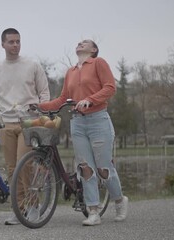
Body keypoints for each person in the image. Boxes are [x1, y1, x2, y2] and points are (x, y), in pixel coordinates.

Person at [36, 39, 128, 226]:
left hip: (98, 120)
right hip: (77, 123)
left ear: (93, 49)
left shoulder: (98, 63)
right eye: (79, 42)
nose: (80, 43)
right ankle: (93, 211)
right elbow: (63, 99)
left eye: (85, 42)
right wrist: (38, 106)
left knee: (103, 168)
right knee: (85, 167)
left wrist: (90, 100)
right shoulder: (70, 72)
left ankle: (119, 200)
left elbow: (110, 87)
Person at [0, 28, 50, 225]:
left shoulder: (32, 65)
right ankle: (19, 209)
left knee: (25, 164)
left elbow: (44, 92)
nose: (15, 45)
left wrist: (42, 113)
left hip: (29, 122)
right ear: (2, 44)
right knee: (12, 169)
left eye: (18, 41)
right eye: (11, 42)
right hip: (7, 123)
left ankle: (33, 206)